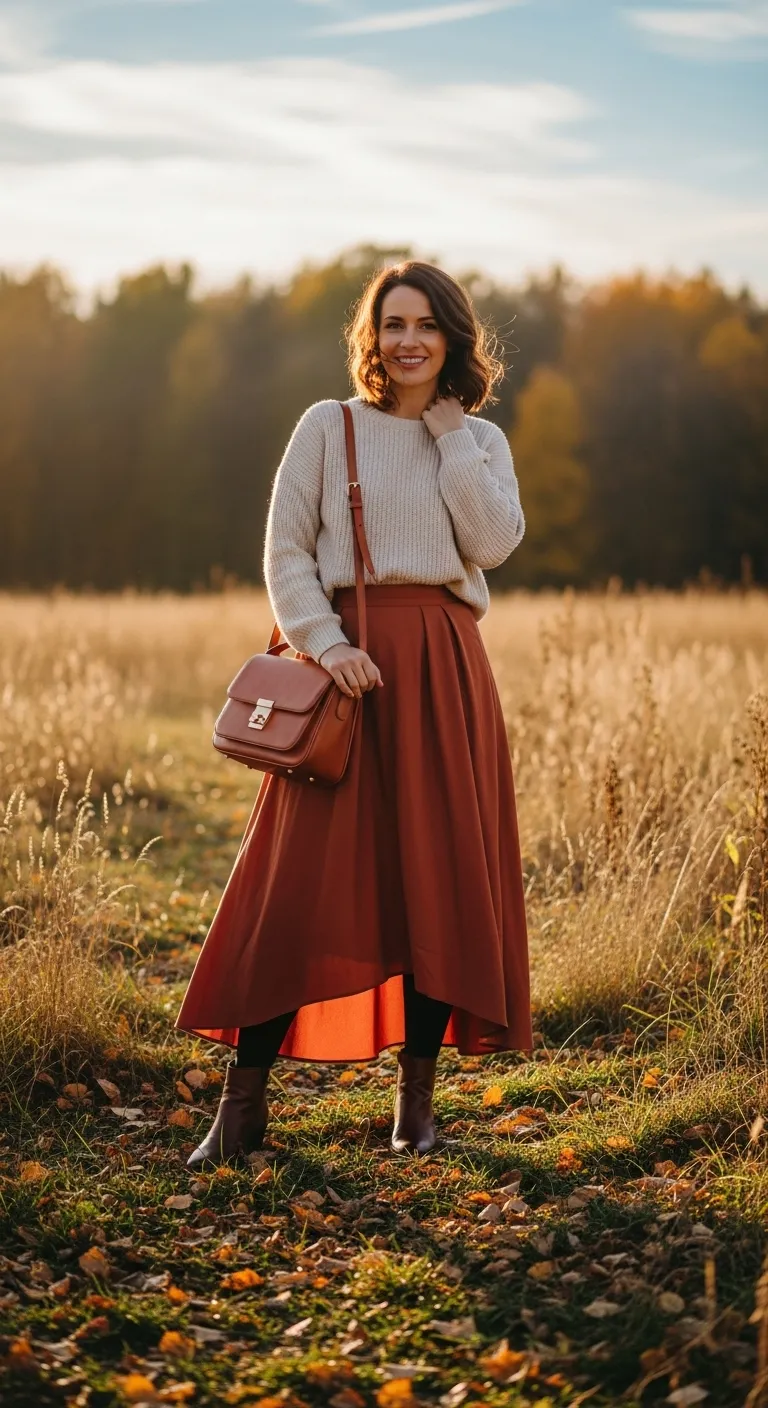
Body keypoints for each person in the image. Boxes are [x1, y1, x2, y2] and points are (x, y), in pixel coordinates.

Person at [175, 259, 533, 1167]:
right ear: (370, 337)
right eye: (391, 323)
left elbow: (491, 544)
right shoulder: (326, 428)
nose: (406, 340)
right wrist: (326, 644)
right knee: (293, 881)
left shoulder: (481, 442)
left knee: (438, 880)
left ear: (452, 337)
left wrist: (452, 440)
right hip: (347, 669)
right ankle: (242, 1104)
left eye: (425, 325)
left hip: (445, 670)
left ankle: (415, 1104)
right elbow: (285, 550)